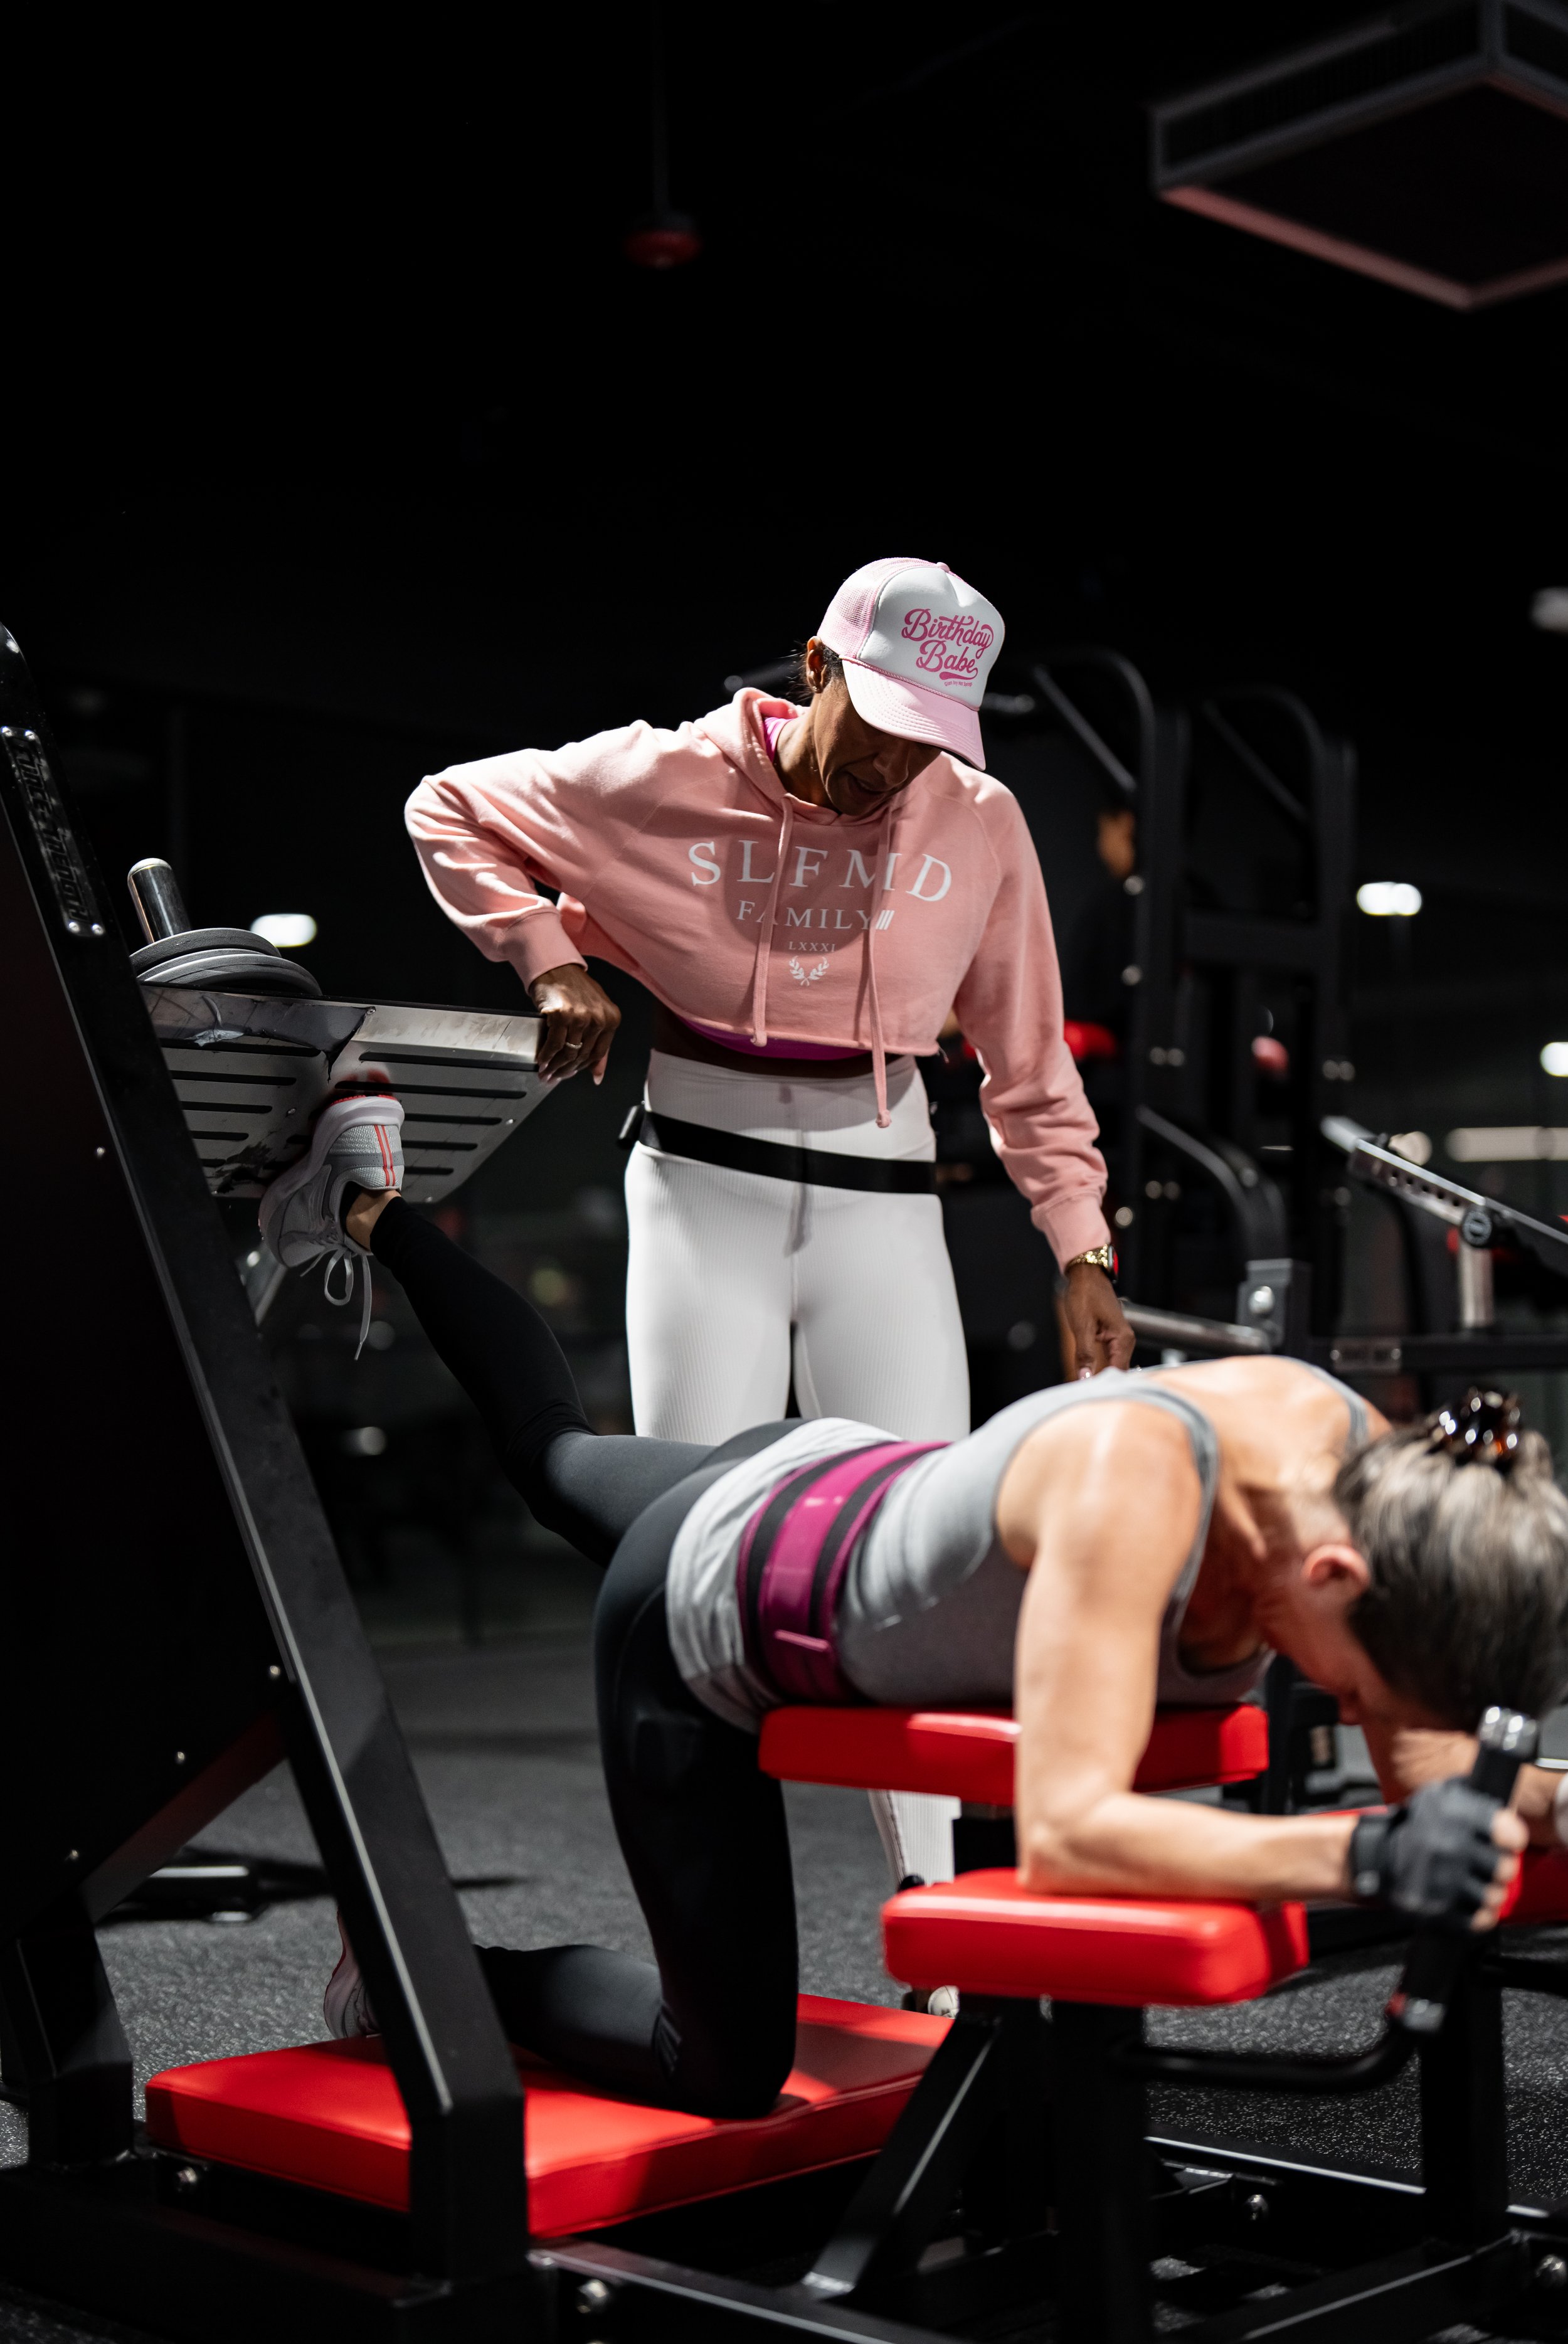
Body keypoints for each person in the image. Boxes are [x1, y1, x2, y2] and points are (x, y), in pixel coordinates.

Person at [263, 1103, 1568, 2119]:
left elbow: (1434, 1774)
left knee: (551, 1453)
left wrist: (1528, 1801)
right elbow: (1071, 1833)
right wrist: (1359, 1856)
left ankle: (366, 1204)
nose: (1343, 1711)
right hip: (709, 1599)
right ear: (1334, 1577)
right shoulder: (1141, 1486)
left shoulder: (1377, 1485)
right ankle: (406, 1974)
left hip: (824, 1471)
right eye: (1349, 1691)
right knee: (714, 2064)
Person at [405, 558, 1135, 1889]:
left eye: (932, 742)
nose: (896, 770)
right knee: (690, 1544)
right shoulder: (657, 776)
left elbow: (1027, 1054)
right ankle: (712, 1919)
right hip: (701, 1182)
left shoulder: (976, 820)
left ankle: (946, 1919)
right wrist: (544, 954)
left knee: (927, 1545)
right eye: (879, 728)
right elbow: (444, 804)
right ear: (813, 670)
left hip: (882, 1190)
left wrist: (1075, 1241)